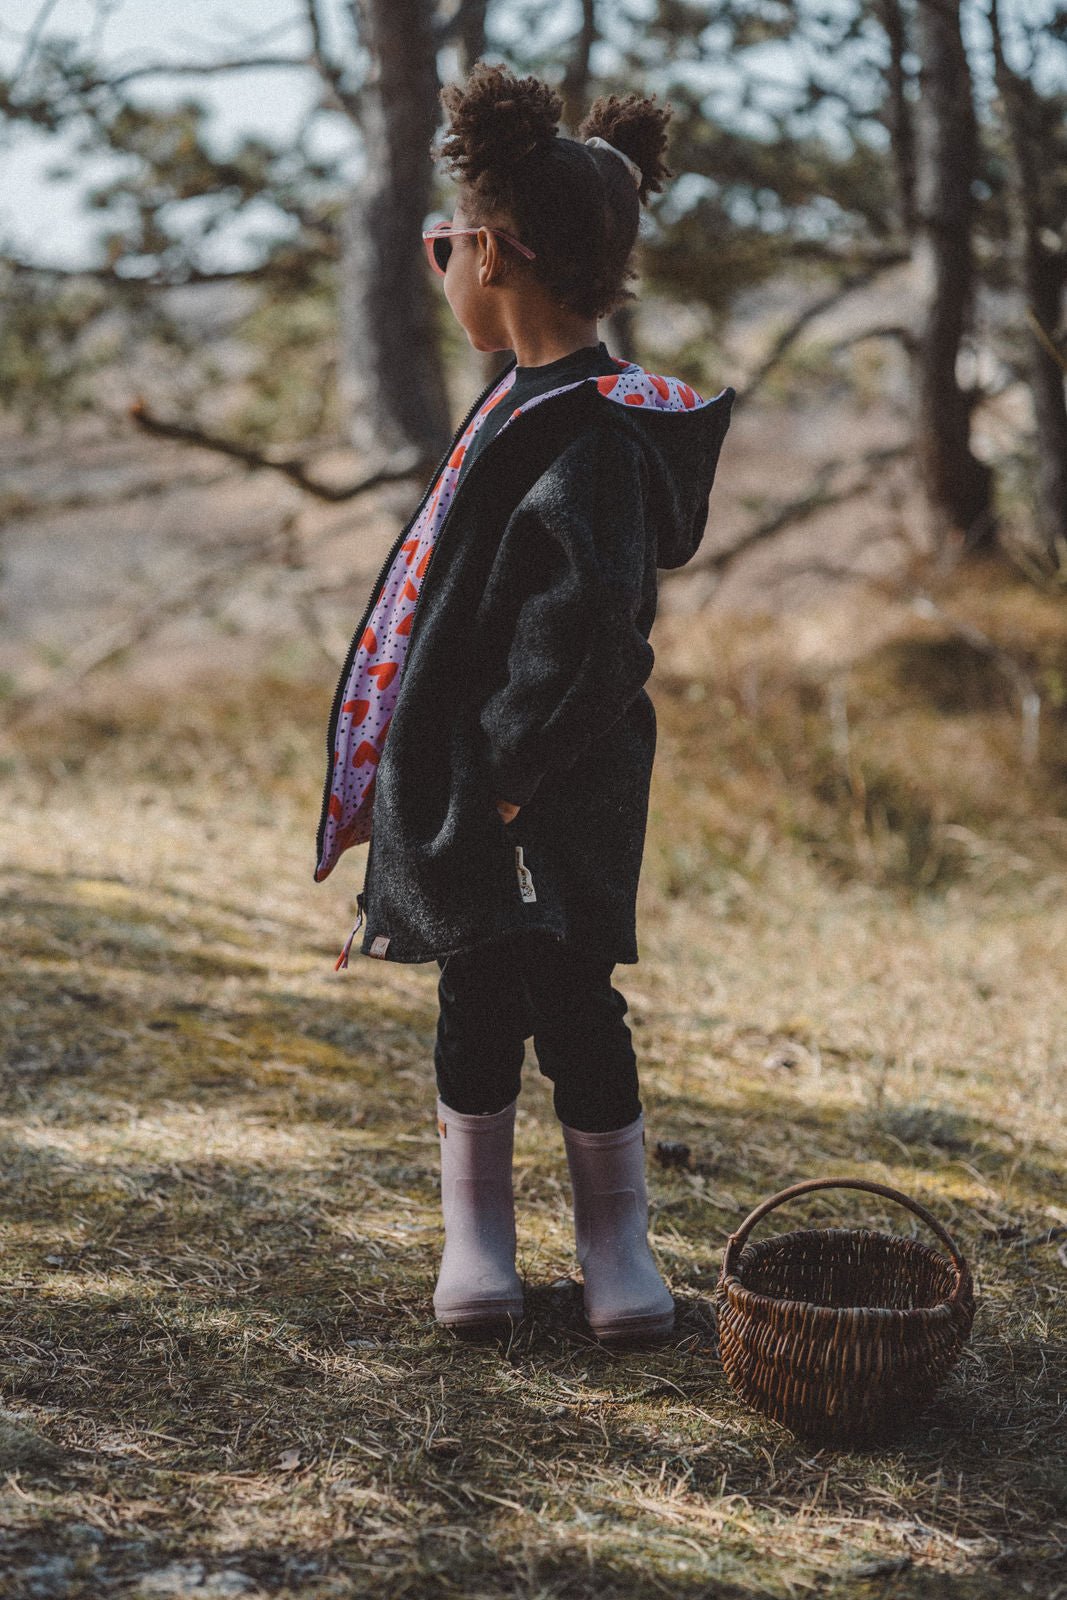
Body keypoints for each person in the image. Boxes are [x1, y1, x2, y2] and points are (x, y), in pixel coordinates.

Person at [313, 60, 735, 1345]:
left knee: (572, 996)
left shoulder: (591, 432)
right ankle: (478, 1241)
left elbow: (588, 635)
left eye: (446, 242)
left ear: (490, 254)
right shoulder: (524, 403)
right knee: (478, 991)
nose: (440, 262)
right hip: (491, 776)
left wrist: (495, 778)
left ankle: (617, 1249)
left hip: (548, 779)